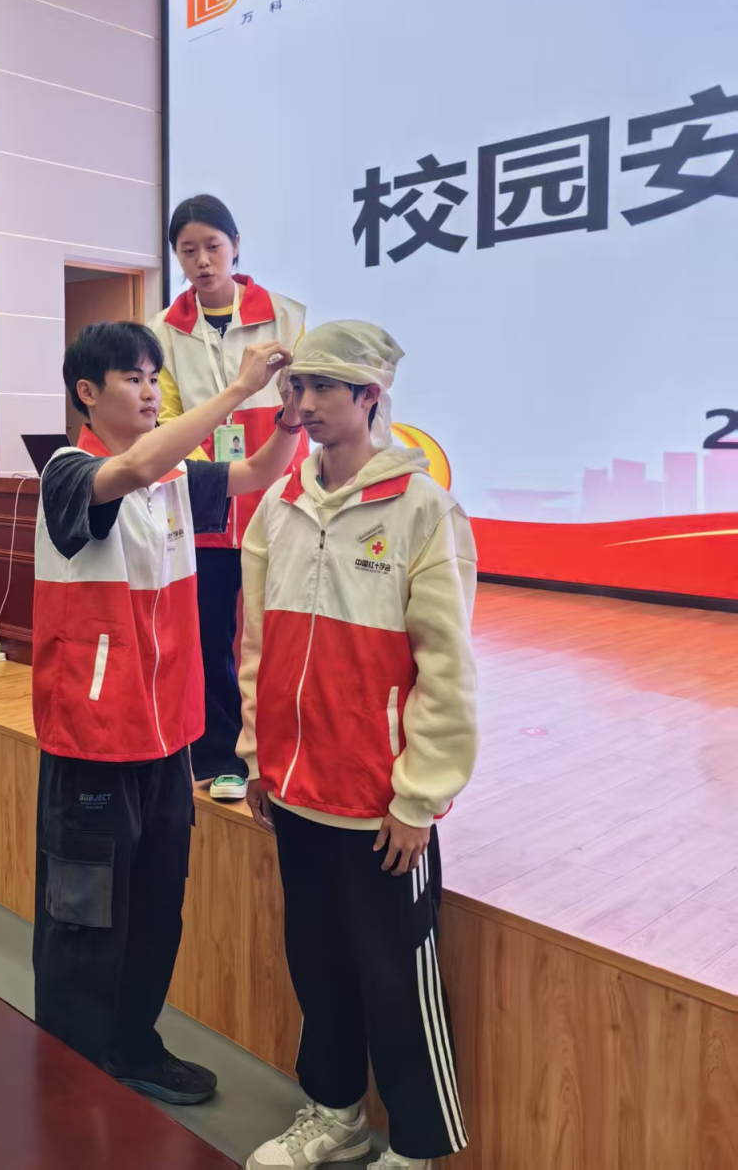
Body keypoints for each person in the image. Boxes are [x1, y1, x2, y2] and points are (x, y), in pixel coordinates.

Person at [32, 319, 301, 1106]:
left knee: (156, 907)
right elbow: (138, 463)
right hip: (93, 741)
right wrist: (240, 389)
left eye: (155, 377)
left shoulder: (174, 476)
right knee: (85, 916)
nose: (151, 392)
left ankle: (133, 1046)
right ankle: (71, 1074)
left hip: (167, 739)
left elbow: (258, 471)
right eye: (134, 378)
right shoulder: (70, 472)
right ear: (88, 392)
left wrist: (287, 418)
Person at [237, 321, 479, 1170]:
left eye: (320, 388)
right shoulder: (279, 506)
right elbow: (257, 644)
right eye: (295, 386)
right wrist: (258, 753)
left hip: (380, 806)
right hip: (296, 790)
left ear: (370, 395)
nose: (301, 403)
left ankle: (416, 1146)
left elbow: (447, 666)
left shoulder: (423, 510)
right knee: (318, 966)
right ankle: (335, 1114)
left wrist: (420, 795)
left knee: (396, 980)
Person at [149, 195, 306, 802]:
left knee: (269, 636)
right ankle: (220, 754)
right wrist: (206, 476)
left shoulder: (285, 316)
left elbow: (307, 400)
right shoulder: (164, 331)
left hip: (277, 499)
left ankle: (275, 751)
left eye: (213, 246)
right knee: (210, 635)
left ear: (235, 246)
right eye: (188, 250)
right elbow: (165, 421)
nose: (202, 261)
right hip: (206, 506)